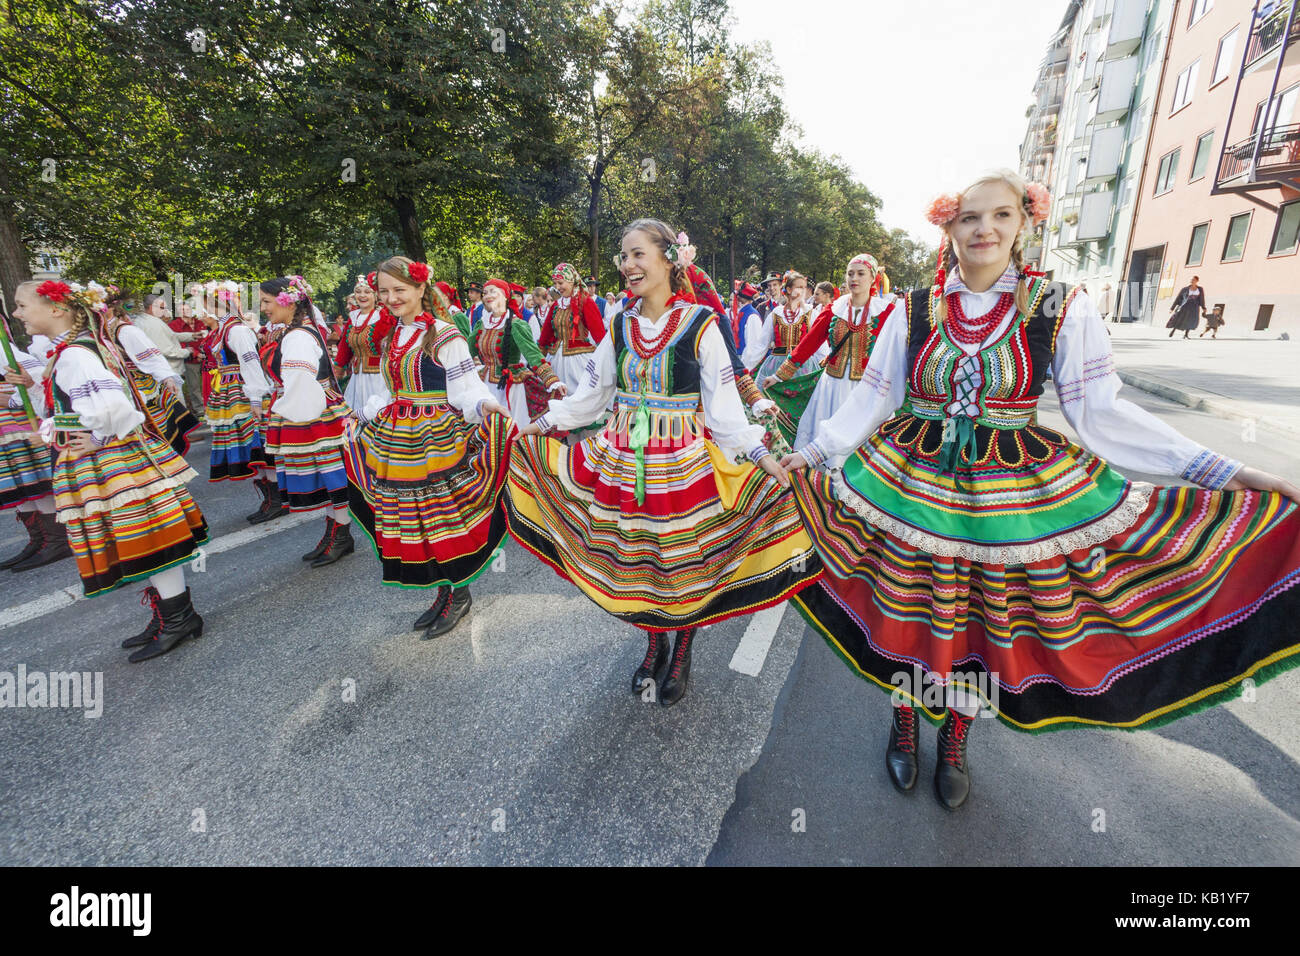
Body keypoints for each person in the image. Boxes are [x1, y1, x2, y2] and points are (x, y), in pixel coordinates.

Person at [780, 169, 1300, 811]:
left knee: (979, 623)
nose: (984, 228)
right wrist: (810, 455)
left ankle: (957, 738)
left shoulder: (1057, 304)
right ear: (949, 227)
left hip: (1009, 497)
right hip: (910, 481)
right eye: (970, 217)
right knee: (914, 610)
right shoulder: (912, 308)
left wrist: (1221, 471)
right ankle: (907, 719)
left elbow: (1100, 412)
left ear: (1025, 223)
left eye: (1001, 215)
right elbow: (873, 395)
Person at [510, 218, 822, 707]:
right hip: (622, 458)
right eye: (623, 256)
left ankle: (683, 648)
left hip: (681, 461)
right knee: (637, 559)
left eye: (638, 254)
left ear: (667, 260)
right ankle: (655, 640)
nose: (628, 265)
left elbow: (723, 411)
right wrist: (540, 425)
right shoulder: (618, 324)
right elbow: (592, 397)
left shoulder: (701, 324)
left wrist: (762, 455)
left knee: (679, 561)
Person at [22, 280, 207, 662]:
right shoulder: (80, 348)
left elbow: (113, 407)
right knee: (147, 536)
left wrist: (95, 437)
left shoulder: (76, 354)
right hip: (110, 454)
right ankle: (172, 615)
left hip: (111, 458)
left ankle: (179, 619)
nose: (18, 313)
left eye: (23, 305)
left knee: (149, 537)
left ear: (56, 309)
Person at [343, 256, 514, 637]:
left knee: (441, 518)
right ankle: (442, 590)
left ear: (421, 288)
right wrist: (363, 417)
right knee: (413, 521)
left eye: (399, 290)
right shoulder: (389, 337)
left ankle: (459, 591)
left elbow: (466, 387)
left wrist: (483, 405)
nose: (390, 298)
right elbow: (389, 390)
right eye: (383, 291)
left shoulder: (444, 335)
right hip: (396, 437)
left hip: (435, 437)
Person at [258, 275, 355, 567]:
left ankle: (341, 534)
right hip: (312, 408)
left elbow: (300, 379)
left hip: (312, 411)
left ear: (286, 300)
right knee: (327, 475)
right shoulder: (295, 330)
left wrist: (288, 411)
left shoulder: (299, 336)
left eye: (266, 301)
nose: (263, 307)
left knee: (331, 476)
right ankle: (335, 533)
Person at [762, 253, 895, 450]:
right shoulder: (834, 309)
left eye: (860, 273)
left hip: (866, 389)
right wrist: (779, 376)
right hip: (831, 387)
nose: (854, 279)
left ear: (872, 277)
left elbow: (894, 352)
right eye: (850, 274)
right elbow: (808, 344)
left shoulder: (886, 312)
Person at [0, 283, 71, 571]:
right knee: (18, 484)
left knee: (33, 481)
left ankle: (56, 539)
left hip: (15, 420)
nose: (17, 313)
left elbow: (28, 372)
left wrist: (15, 395)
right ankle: (40, 538)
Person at [472, 278, 566, 423]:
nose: (487, 296)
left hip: (510, 387)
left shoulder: (516, 324)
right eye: (485, 293)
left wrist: (551, 380)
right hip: (484, 385)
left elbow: (532, 354)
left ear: (505, 296)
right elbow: (465, 352)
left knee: (509, 427)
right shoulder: (481, 324)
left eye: (492, 291)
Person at [742, 270, 826, 382]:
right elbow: (761, 345)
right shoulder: (776, 314)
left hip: (803, 366)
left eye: (804, 287)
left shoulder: (811, 313)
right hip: (776, 366)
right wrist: (745, 369)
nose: (803, 291)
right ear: (789, 289)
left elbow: (820, 344)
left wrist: (826, 366)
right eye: (799, 287)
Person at [538, 262, 607, 394]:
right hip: (556, 359)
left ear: (571, 281)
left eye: (560, 283)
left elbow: (599, 334)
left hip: (579, 361)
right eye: (555, 283)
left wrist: (605, 359)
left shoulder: (585, 301)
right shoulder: (556, 305)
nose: (557, 287)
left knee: (580, 395)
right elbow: (545, 336)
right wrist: (538, 359)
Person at [333, 274, 391, 422]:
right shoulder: (353, 318)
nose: (362, 295)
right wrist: (336, 373)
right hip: (357, 378)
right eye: (358, 292)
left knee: (376, 414)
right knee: (354, 414)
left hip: (379, 377)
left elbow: (391, 345)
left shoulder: (383, 316)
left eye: (367, 292)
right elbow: (344, 350)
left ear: (375, 295)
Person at [133, 294, 190, 379]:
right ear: (152, 307)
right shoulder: (154, 324)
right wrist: (187, 351)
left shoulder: (141, 320)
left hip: (151, 369)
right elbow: (166, 351)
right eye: (162, 308)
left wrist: (192, 336)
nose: (165, 311)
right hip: (167, 371)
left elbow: (171, 335)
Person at [169, 300, 208, 415]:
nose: (186, 311)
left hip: (206, 357)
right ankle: (200, 409)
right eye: (182, 309)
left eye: (187, 309)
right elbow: (178, 343)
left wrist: (205, 353)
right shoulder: (174, 325)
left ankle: (211, 405)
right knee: (194, 385)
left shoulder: (200, 322)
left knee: (209, 382)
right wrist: (196, 354)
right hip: (190, 358)